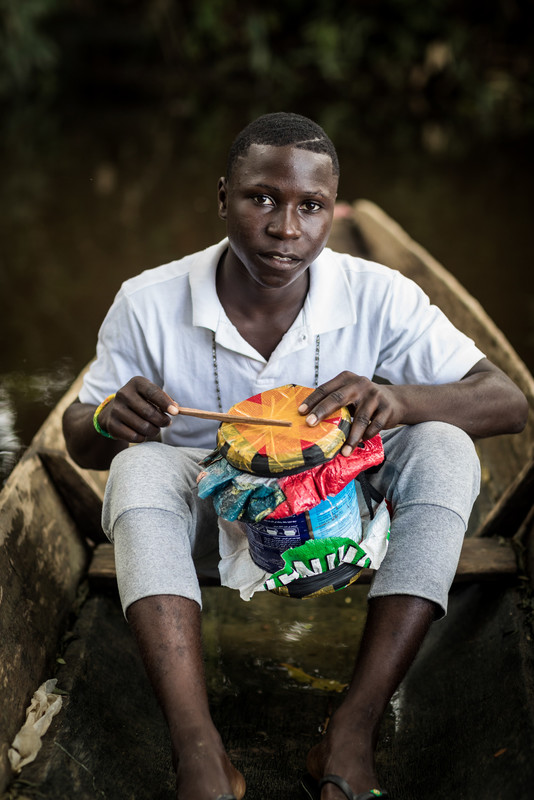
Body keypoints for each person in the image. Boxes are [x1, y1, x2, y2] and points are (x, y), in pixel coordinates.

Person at [62, 112, 528, 800]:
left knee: (445, 445)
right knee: (137, 466)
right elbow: (78, 438)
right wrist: (107, 416)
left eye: (310, 206)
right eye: (262, 199)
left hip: (344, 517)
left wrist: (399, 403)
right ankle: (199, 751)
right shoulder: (148, 301)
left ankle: (353, 727)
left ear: (331, 213)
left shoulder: (379, 294)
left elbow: (508, 402)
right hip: (206, 523)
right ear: (223, 197)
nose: (286, 228)